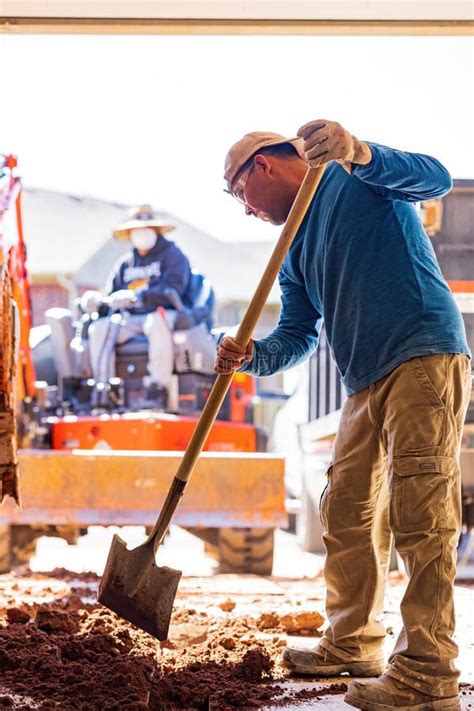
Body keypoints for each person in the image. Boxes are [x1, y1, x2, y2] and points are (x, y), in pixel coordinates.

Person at [216, 121, 471, 711]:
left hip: (421, 353)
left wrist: (362, 152)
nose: (246, 212)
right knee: (349, 511)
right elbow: (298, 335)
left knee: (421, 512)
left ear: (263, 166)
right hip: (363, 380)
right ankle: (354, 642)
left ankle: (429, 672)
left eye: (238, 195)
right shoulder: (294, 246)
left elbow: (433, 179)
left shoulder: (352, 174)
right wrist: (254, 355)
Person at [82, 205, 191, 408]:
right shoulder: (125, 265)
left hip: (165, 314)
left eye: (146, 229)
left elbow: (174, 289)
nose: (141, 234)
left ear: (155, 231)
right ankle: (105, 388)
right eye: (137, 231)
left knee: (156, 322)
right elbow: (110, 297)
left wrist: (137, 296)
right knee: (100, 328)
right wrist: (97, 302)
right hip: (130, 320)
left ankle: (159, 388)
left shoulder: (173, 256)